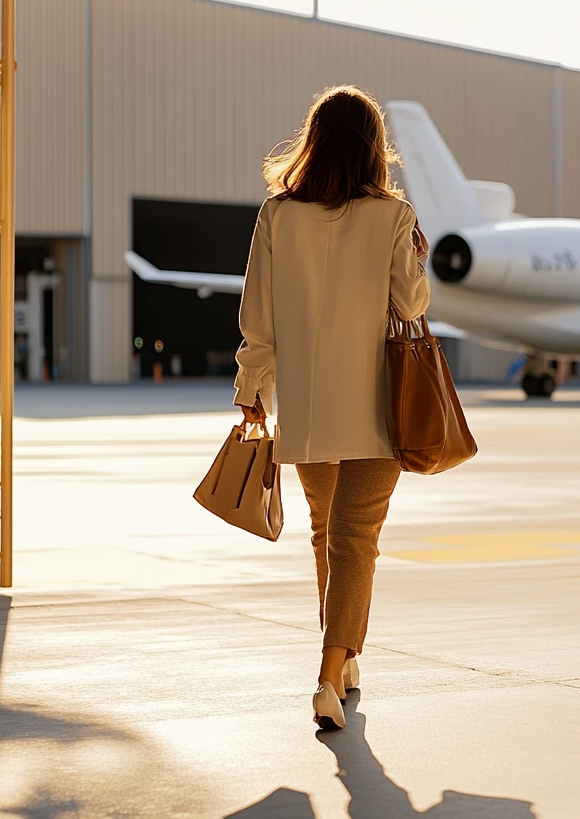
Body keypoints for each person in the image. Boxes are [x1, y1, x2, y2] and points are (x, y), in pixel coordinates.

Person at [233, 85, 430, 731]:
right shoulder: (393, 218)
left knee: (329, 536)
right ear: (376, 148)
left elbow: (257, 320)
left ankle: (343, 663)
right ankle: (327, 675)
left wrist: (253, 392)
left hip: (310, 412)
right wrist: (416, 260)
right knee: (356, 542)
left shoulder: (277, 216)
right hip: (376, 409)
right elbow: (412, 306)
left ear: (312, 141)